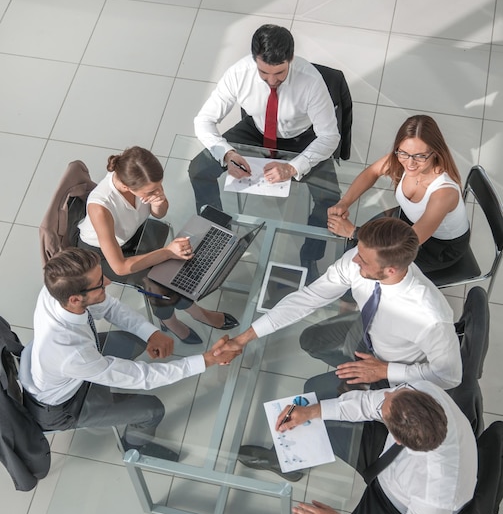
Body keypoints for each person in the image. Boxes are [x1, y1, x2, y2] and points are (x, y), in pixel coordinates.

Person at [19, 248, 241, 461]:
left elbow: (110, 308)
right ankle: (134, 446)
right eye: (100, 284)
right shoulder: (71, 352)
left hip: (71, 368)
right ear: (75, 299)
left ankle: (111, 388)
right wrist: (207, 360)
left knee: (134, 341)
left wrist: (151, 333)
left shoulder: (55, 293)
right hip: (64, 406)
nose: (108, 282)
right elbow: (142, 377)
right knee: (152, 410)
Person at [274, 381, 477, 514]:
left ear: (397, 438)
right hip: (386, 458)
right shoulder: (423, 391)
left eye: (388, 398)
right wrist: (313, 411)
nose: (387, 393)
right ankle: (283, 459)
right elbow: (372, 403)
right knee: (316, 424)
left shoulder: (437, 495)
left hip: (396, 507)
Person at [214, 218, 462, 394]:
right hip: (364, 331)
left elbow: (449, 376)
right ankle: (351, 370)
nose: (354, 260)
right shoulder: (360, 259)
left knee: (316, 390)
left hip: (395, 365)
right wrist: (242, 339)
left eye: (363, 260)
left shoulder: (430, 317)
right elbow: (309, 298)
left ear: (390, 270)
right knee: (310, 339)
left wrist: (385, 371)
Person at [189, 23, 342, 282]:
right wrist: (226, 154)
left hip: (300, 139)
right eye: (263, 73)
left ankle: (311, 255)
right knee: (198, 169)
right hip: (256, 130)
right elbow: (203, 121)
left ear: (291, 59)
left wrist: (293, 167)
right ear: (254, 59)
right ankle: (217, 234)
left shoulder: (311, 81)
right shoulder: (239, 73)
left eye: (280, 73)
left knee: (330, 197)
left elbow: (330, 136)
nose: (272, 81)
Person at [78, 146, 239, 345]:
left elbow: (159, 214)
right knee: (158, 282)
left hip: (132, 232)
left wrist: (159, 199)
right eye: (151, 191)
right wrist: (167, 252)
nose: (156, 191)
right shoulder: (100, 207)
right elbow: (120, 266)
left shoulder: (137, 179)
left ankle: (186, 311)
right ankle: (180, 318)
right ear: (128, 188)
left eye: (159, 187)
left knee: (175, 268)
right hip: (102, 255)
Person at [327, 115, 470, 274]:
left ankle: (352, 298)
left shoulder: (443, 193)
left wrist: (353, 232)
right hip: (406, 222)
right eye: (403, 153)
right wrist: (344, 202)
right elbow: (372, 172)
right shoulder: (401, 159)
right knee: (357, 250)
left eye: (420, 156)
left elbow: (409, 243)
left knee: (366, 266)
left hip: (436, 248)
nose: (410, 163)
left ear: (435, 153)